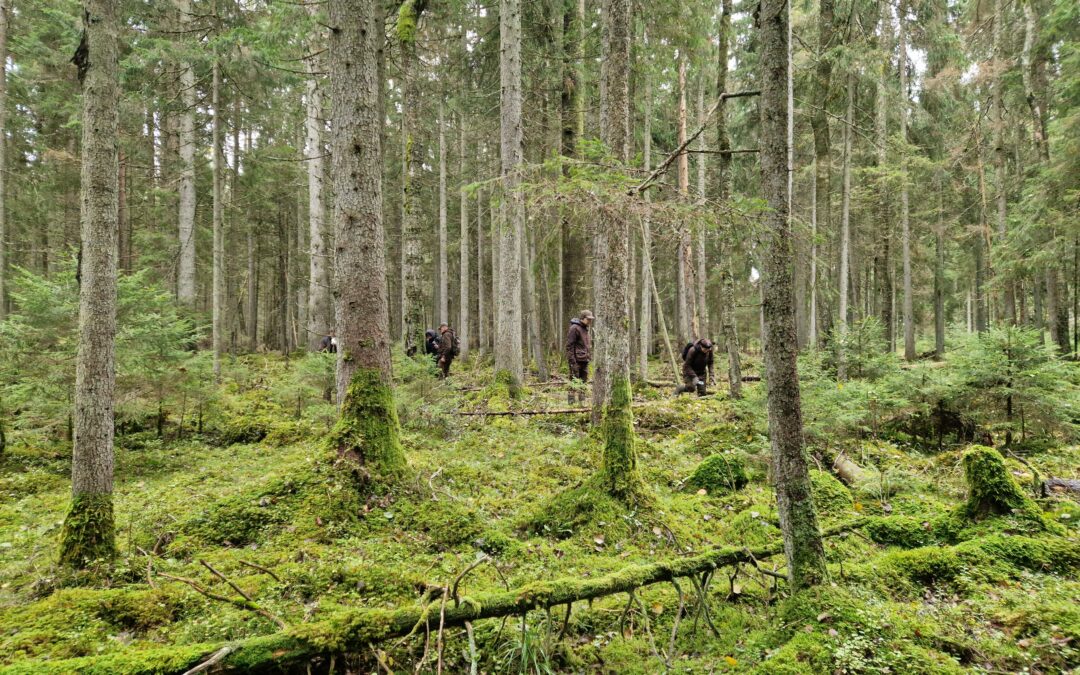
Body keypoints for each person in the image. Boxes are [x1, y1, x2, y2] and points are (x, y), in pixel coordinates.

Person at [565, 310, 593, 403]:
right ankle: (571, 403)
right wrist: (573, 362)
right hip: (576, 361)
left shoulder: (585, 329)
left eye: (591, 319)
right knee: (573, 382)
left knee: (583, 383)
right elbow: (569, 346)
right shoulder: (574, 328)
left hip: (585, 360)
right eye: (588, 319)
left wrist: (588, 356)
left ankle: (582, 403)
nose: (590, 321)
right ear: (582, 318)